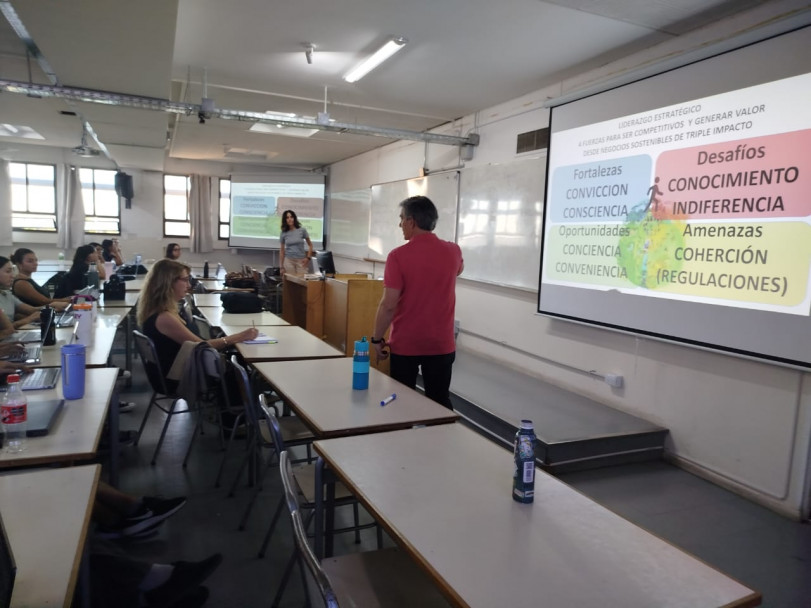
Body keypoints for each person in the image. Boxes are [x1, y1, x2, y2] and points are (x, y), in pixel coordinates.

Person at [371, 196, 464, 409]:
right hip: (441, 343)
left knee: (401, 404)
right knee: (439, 403)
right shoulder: (453, 251)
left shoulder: (398, 256)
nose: (400, 224)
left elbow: (388, 305)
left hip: (406, 344)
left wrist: (377, 339)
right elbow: (460, 268)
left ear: (411, 221)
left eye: (401, 219)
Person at [137, 259, 257, 393]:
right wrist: (239, 337)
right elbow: (201, 346)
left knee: (234, 360)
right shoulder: (164, 317)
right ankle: (244, 404)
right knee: (237, 369)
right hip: (177, 378)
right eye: (185, 280)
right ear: (169, 282)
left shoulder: (160, 310)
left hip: (175, 370)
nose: (189, 285)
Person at [0, 256, 49, 328]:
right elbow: (5, 329)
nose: (13, 276)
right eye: (8, 271)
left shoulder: (7, 295)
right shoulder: (20, 283)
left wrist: (51, 307)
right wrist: (29, 319)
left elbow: (31, 310)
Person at [279, 209, 313, 276]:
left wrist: (308, 258)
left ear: (294, 218)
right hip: (288, 261)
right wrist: (281, 267)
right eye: (287, 218)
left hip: (301, 261)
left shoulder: (302, 230)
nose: (290, 219)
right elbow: (282, 250)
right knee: (290, 281)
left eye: (291, 217)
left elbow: (310, 245)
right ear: (285, 220)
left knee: (302, 281)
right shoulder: (283, 232)